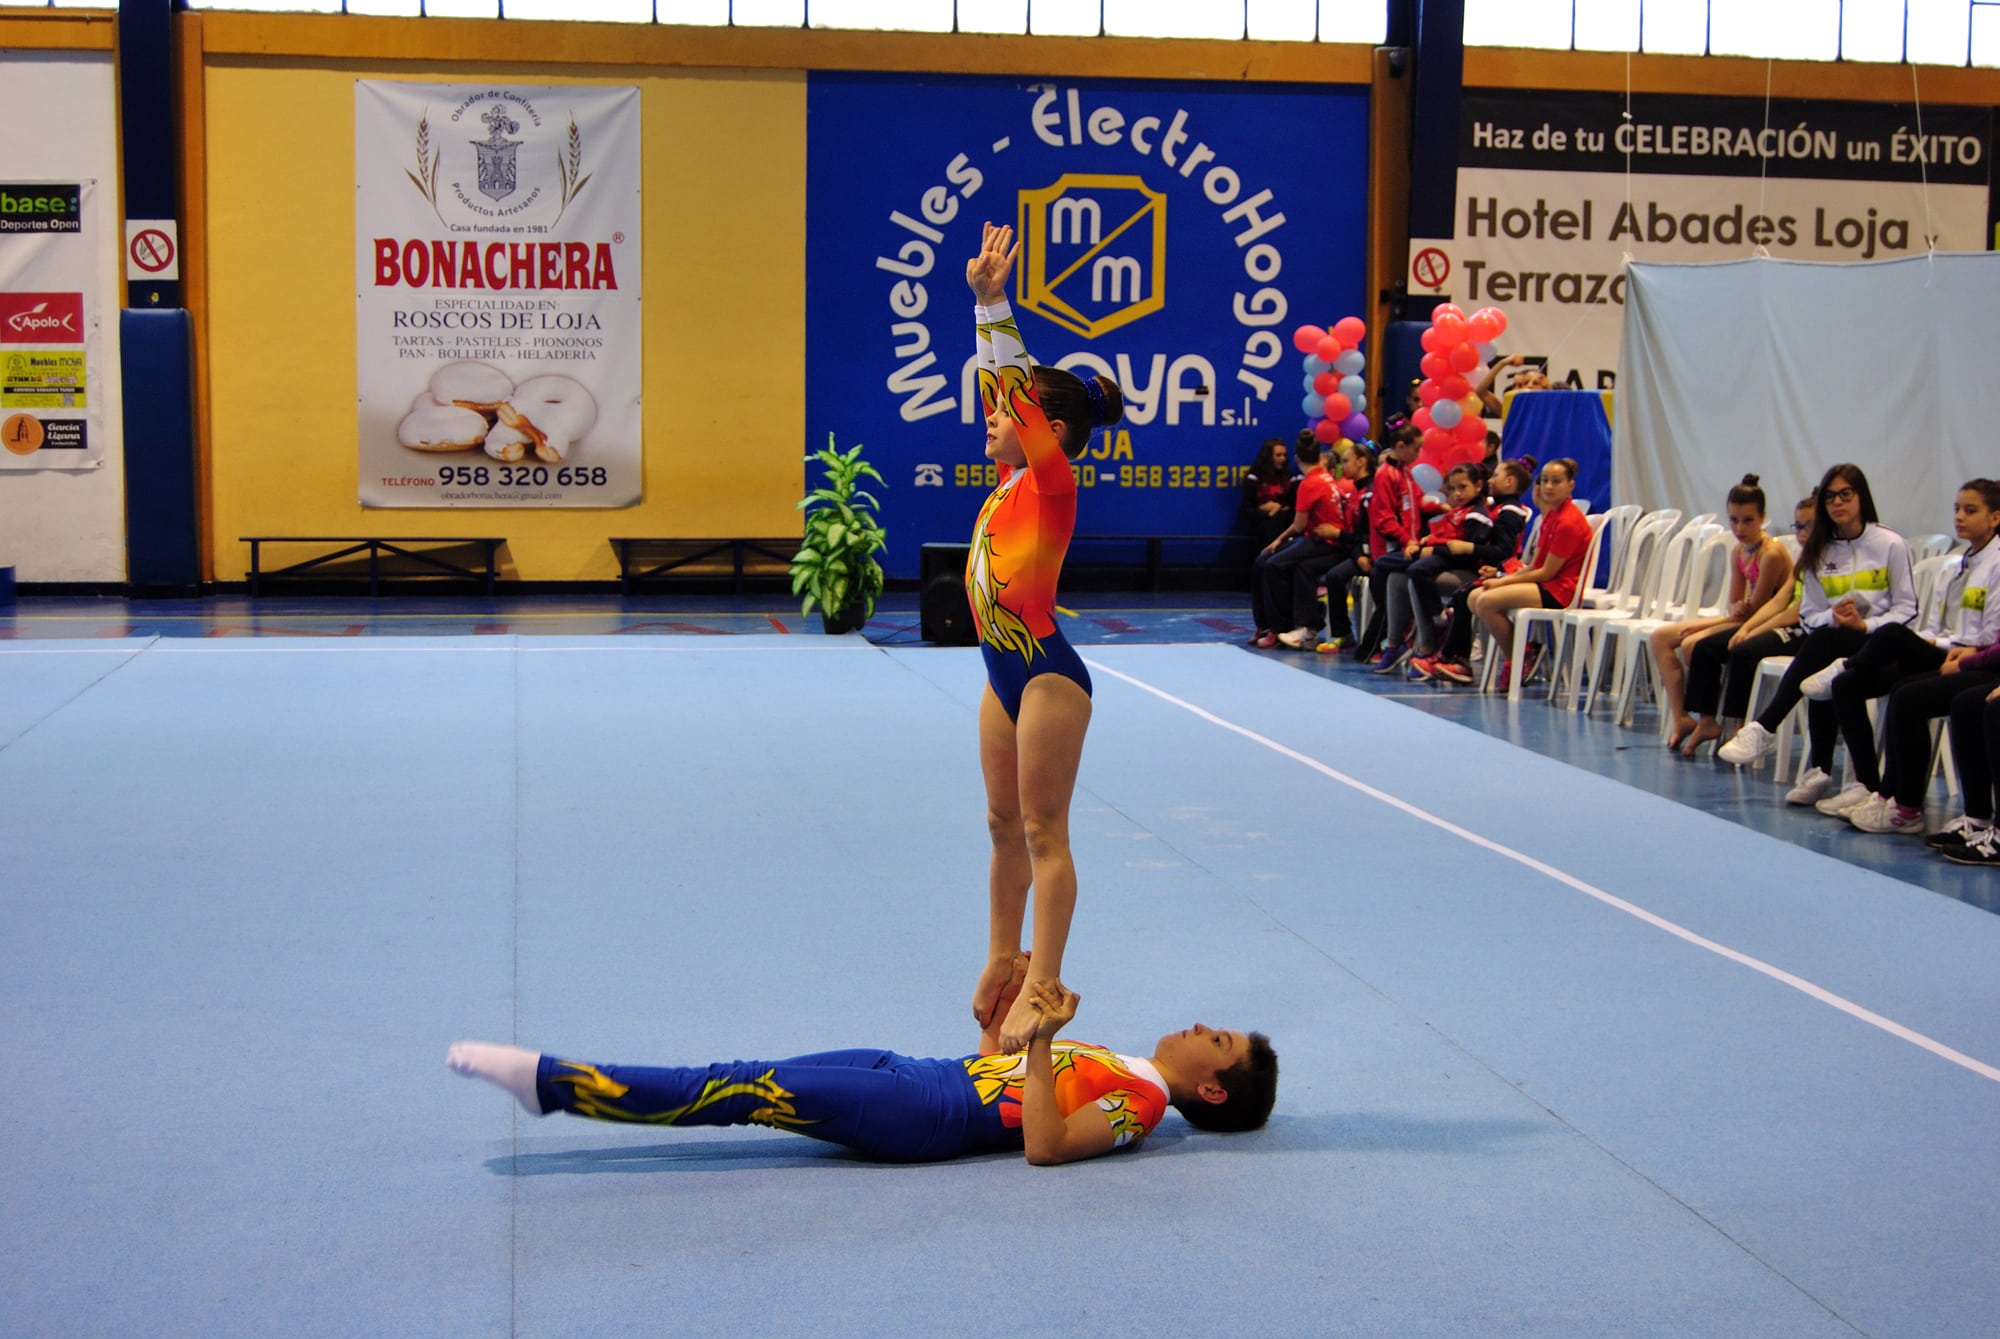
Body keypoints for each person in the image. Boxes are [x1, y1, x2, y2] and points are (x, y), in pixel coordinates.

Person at [445, 974, 1278, 1167]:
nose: (1205, 1027)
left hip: (923, 1116)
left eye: (1222, 1042)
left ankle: (551, 1082)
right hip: (918, 1070)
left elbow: (1047, 1147)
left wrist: (1041, 1039)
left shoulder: (1141, 1103)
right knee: (746, 1070)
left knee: (736, 1087)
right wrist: (1005, 1026)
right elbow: (1015, 1085)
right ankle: (555, 1082)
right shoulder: (1125, 1061)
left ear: (1212, 1088)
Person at [962, 221, 1126, 1051]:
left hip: (1048, 675)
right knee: (1000, 822)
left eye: (1008, 416)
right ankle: (1002, 957)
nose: (990, 419)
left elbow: (1017, 391)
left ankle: (1047, 979)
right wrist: (985, 321)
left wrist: (995, 303)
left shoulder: (1052, 484)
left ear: (1050, 433)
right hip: (1001, 674)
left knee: (1042, 829)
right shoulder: (1008, 479)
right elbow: (1008, 386)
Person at [1718, 464, 1917, 805]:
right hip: (1835, 642)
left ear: (1860, 497)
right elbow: (1810, 614)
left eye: (1845, 494)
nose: (1837, 503)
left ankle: (1767, 727)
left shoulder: (1890, 544)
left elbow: (1907, 608)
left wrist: (1864, 625)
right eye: (1830, 497)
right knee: (1823, 654)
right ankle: (1824, 773)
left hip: (1883, 642)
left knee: (1821, 649)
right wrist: (1836, 617)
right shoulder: (1818, 551)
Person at [1825, 480, 2000, 835]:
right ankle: (1877, 792)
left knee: (1899, 665)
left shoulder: (1996, 564)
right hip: (1949, 651)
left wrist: (1965, 657)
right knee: (1853, 685)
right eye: (1956, 509)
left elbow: (1990, 637)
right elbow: (1937, 623)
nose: (1960, 517)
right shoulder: (1959, 565)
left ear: (1995, 517)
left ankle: (1908, 807)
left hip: (1980, 660)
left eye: (1971, 510)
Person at [1653, 474, 1792, 751]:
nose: (1739, 527)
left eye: (1748, 520)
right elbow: (1735, 605)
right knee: (1659, 638)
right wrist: (1722, 616)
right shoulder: (1739, 551)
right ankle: (1681, 716)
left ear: (1763, 517)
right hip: (1743, 618)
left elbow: (1756, 611)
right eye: (1733, 520)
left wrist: (1705, 627)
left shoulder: (1771, 554)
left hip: (1765, 622)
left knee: (1693, 643)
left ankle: (1708, 718)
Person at [1676, 497, 1815, 757]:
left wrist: (1750, 629)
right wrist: (1747, 627)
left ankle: (1741, 727)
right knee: (1705, 647)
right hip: (1774, 620)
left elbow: (1792, 611)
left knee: (1744, 651)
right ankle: (1706, 720)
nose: (1803, 533)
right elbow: (1779, 601)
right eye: (1798, 526)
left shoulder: (1773, 554)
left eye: (1810, 526)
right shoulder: (1804, 559)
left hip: (1804, 630)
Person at [1467, 457, 1593, 689]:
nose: (1548, 487)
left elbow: (1546, 573)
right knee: (1474, 598)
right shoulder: (1551, 516)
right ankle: (1523, 649)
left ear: (1570, 486)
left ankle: (1517, 657)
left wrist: (1503, 583)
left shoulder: (1568, 521)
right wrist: (1502, 579)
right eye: (1544, 481)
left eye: (1556, 481)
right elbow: (1534, 565)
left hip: (1560, 590)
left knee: (1485, 601)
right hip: (1546, 583)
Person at [1413, 459, 1535, 685]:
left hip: (1504, 571)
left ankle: (1456, 657)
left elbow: (1503, 551)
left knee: (1463, 594)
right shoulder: (1496, 508)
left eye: (1496, 475)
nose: (1491, 479)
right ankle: (1449, 655)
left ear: (1509, 482)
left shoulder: (1510, 512)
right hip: (1494, 569)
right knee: (1459, 594)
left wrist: (1470, 548)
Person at [1380, 462, 1493, 676]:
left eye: (1463, 487)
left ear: (1478, 486)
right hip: (1443, 561)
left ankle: (1428, 646)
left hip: (1465, 571)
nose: (1457, 493)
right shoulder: (1458, 511)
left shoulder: (1478, 515)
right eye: (1453, 489)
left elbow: (1469, 549)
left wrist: (1434, 550)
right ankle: (1396, 644)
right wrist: (1427, 542)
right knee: (1395, 575)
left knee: (1416, 575)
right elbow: (1445, 536)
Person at [1251, 436, 1348, 649]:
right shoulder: (1325, 477)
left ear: (1296, 458)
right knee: (1263, 560)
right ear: (1319, 457)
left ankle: (1279, 628)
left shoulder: (1310, 483)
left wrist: (1277, 540)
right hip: (1318, 539)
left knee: (1273, 564)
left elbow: (1299, 525)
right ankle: (1265, 624)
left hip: (1326, 542)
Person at [1239, 435, 1298, 552]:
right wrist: (1267, 514)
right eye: (1278, 455)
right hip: (1261, 529)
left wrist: (1277, 508)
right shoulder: (1254, 478)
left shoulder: (1290, 478)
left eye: (1284, 455)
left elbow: (1293, 507)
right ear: (1268, 457)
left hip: (1284, 528)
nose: (1283, 459)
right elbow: (1247, 510)